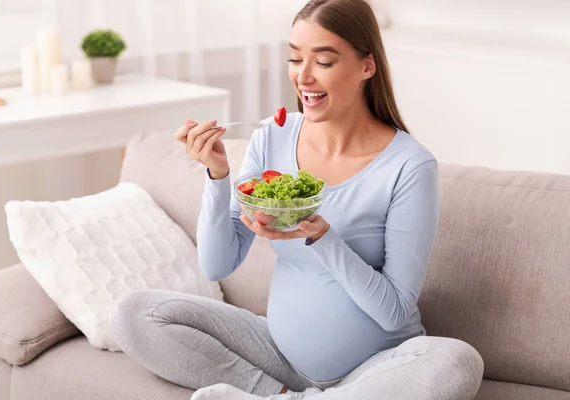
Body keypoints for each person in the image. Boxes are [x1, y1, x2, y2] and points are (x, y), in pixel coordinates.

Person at [110, 0, 484, 399]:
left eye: (323, 61)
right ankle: (278, 396)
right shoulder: (272, 135)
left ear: (366, 66)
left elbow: (393, 313)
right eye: (294, 58)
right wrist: (218, 176)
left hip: (377, 369)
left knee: (457, 361)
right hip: (277, 354)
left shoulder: (409, 165)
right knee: (134, 313)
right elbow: (217, 264)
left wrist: (324, 238)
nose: (302, 76)